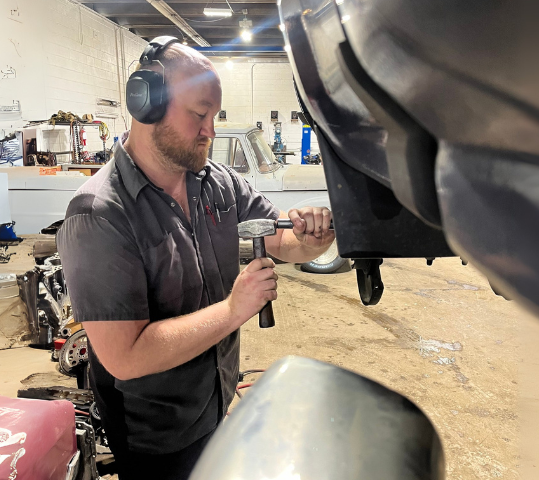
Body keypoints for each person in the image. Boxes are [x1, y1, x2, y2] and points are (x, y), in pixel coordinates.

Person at [56, 39, 335, 480]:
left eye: (215, 117)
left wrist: (314, 235)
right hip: (156, 437)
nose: (211, 131)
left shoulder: (218, 183)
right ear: (146, 104)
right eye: (199, 114)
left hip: (216, 406)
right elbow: (123, 357)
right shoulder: (98, 214)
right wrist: (233, 309)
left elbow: (286, 243)